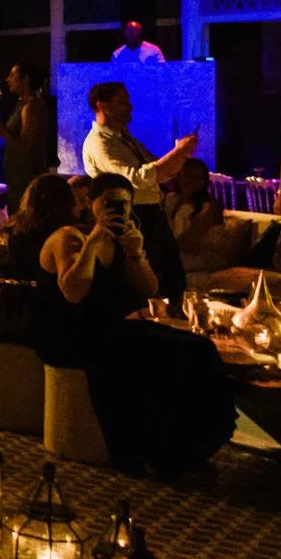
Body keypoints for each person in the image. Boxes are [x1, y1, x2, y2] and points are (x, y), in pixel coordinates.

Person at [39, 173, 234, 475]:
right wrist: (94, 240)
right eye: (109, 203)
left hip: (114, 329)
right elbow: (73, 292)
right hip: (73, 334)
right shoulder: (69, 236)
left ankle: (189, 445)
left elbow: (148, 289)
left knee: (198, 347)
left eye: (124, 205)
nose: (117, 210)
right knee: (155, 354)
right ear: (90, 203)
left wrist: (135, 251)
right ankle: (155, 451)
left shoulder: (124, 240)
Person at [81, 80, 194, 300]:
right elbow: (137, 178)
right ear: (102, 106)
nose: (130, 107)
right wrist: (178, 152)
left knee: (172, 279)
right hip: (133, 215)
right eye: (122, 102)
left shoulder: (124, 139)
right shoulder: (99, 143)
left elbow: (157, 170)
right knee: (151, 284)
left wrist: (181, 155)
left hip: (150, 213)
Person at [0, 61, 56, 211]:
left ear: (25, 79)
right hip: (17, 177)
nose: (8, 79)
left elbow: (28, 148)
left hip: (26, 179)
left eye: (12, 75)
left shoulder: (32, 107)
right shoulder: (21, 104)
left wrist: (2, 133)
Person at [166, 157, 228, 278]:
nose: (193, 181)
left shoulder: (209, 206)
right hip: (177, 251)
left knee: (166, 262)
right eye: (189, 176)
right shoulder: (171, 199)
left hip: (203, 255)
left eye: (198, 178)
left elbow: (187, 242)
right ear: (179, 176)